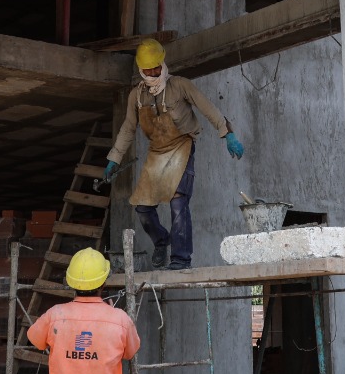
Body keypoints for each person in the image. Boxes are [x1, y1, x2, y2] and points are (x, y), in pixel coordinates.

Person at [105, 37, 244, 270]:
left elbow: (207, 107)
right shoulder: (136, 96)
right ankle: (162, 241)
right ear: (141, 70)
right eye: (147, 70)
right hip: (157, 152)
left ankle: (181, 259)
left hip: (182, 146)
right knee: (143, 208)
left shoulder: (180, 85)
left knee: (178, 202)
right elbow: (128, 128)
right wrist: (114, 158)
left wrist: (227, 133)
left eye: (156, 67)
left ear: (163, 63)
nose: (153, 72)